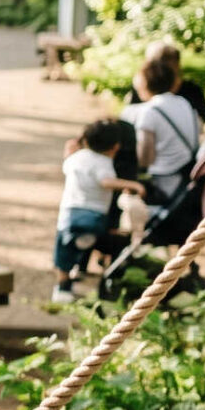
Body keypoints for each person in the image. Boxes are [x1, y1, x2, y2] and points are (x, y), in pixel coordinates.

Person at [54, 119, 147, 302]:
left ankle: (62, 287)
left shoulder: (75, 158)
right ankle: (107, 274)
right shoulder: (103, 162)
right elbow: (106, 182)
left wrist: (71, 149)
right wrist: (132, 185)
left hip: (69, 213)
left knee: (64, 249)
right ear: (115, 147)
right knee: (109, 241)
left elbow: (67, 164)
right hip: (94, 214)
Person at [123, 50, 201, 243]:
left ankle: (129, 247)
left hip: (164, 184)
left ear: (145, 83)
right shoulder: (185, 103)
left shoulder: (150, 111)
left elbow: (145, 158)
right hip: (186, 179)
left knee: (121, 191)